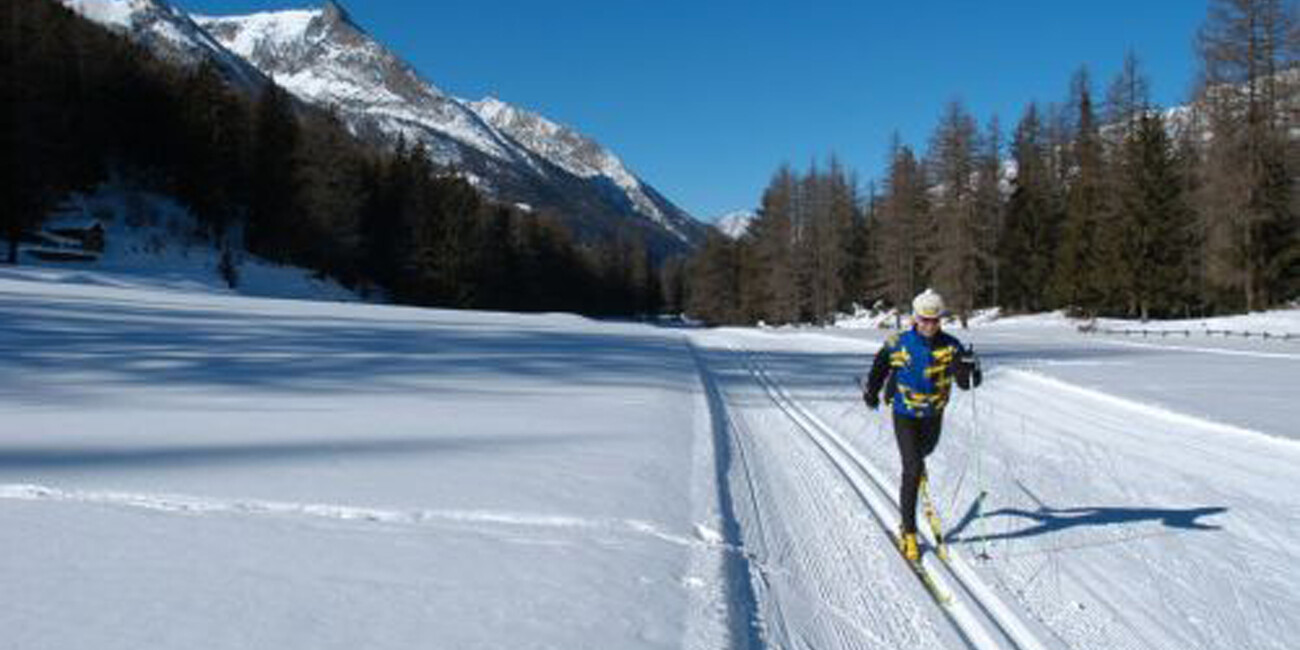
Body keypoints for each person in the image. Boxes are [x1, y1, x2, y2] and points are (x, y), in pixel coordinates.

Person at [862, 288, 981, 561]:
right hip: (904, 412)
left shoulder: (951, 346)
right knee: (912, 468)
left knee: (924, 452)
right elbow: (880, 364)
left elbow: (966, 383)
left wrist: (971, 369)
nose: (929, 325)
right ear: (914, 318)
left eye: (935, 320)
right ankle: (909, 532)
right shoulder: (898, 342)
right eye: (924, 320)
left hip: (933, 414)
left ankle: (917, 460)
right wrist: (872, 391)